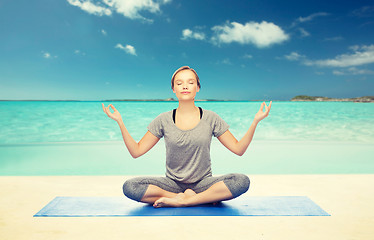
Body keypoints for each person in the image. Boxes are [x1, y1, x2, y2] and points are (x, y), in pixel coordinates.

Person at [102, 66, 272, 208]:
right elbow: (136, 151)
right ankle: (193, 198)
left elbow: (238, 149)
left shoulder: (211, 118)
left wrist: (255, 121)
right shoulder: (163, 120)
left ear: (197, 88)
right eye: (179, 83)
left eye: (190, 82)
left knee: (241, 181)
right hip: (172, 185)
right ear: (173, 89)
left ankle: (186, 201)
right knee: (130, 187)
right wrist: (120, 122)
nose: (185, 86)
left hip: (204, 184)